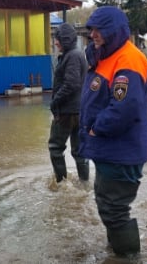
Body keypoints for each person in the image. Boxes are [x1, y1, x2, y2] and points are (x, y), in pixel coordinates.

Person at [79, 6, 147, 256]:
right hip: (108, 149)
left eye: (99, 30)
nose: (94, 35)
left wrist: (97, 128)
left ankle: (129, 257)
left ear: (115, 31)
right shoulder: (105, 56)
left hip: (121, 151)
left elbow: (125, 107)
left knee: (114, 208)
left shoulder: (128, 59)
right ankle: (116, 250)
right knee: (106, 202)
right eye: (92, 29)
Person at [48, 23, 89, 183]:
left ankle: (61, 184)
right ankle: (84, 184)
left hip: (67, 112)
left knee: (55, 148)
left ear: (65, 40)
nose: (55, 42)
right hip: (79, 112)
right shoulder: (76, 55)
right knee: (79, 151)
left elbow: (72, 83)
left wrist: (55, 102)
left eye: (57, 39)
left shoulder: (72, 56)